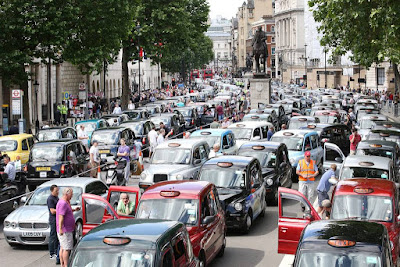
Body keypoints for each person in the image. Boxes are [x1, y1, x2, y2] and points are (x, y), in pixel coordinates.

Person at [56, 188, 80, 267]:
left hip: (67, 228)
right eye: (71, 194)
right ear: (67, 194)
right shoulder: (63, 203)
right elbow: (61, 217)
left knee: (63, 246)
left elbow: (67, 212)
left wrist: (73, 210)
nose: (72, 196)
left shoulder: (66, 202)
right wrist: (60, 228)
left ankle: (63, 264)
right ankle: (65, 264)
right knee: (66, 248)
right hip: (65, 230)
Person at [47, 185, 60, 262]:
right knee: (52, 236)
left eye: (58, 191)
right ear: (52, 191)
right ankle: (51, 253)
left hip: (57, 219)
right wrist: (61, 210)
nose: (57, 192)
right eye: (56, 191)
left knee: (56, 236)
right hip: (53, 219)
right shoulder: (50, 199)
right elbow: (52, 210)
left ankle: (56, 251)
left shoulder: (56, 198)